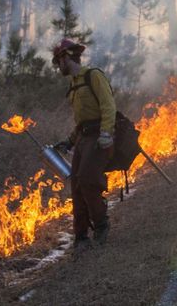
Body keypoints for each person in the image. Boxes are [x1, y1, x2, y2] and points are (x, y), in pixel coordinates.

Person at [52, 38, 116, 248]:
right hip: (82, 138)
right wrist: (69, 142)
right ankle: (81, 237)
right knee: (77, 186)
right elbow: (81, 122)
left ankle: (101, 224)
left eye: (58, 61)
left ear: (66, 57)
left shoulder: (93, 76)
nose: (57, 66)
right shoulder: (74, 84)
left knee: (88, 180)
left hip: (98, 138)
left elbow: (108, 106)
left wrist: (106, 133)